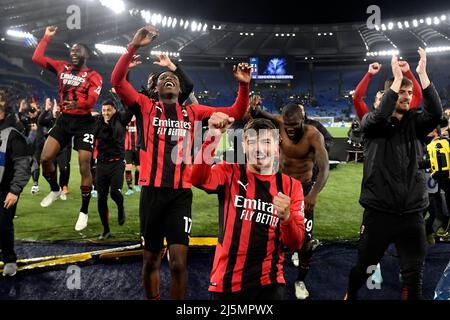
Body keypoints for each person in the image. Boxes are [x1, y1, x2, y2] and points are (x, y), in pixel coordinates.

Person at [111, 25, 251, 300]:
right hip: (151, 195)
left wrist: (243, 85)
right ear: (156, 89)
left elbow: (236, 112)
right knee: (150, 261)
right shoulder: (144, 107)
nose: (168, 79)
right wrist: (133, 46)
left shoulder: (193, 112)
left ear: (178, 87)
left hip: (180, 196)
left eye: (172, 77)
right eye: (163, 78)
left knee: (178, 263)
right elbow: (117, 81)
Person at [345, 49, 442, 300]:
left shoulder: (415, 123)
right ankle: (351, 293)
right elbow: (376, 111)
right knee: (364, 270)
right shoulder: (371, 124)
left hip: (412, 214)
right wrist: (396, 80)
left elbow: (436, 113)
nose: (407, 97)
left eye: (410, 93)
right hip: (379, 213)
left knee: (414, 277)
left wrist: (419, 73)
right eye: (401, 92)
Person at [191, 114, 305, 299]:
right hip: (227, 280)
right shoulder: (229, 172)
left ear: (277, 148)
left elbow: (296, 243)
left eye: (266, 142)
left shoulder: (292, 186)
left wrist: (287, 218)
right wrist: (212, 137)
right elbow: (197, 179)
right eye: (252, 142)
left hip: (269, 283)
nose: (259, 148)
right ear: (244, 146)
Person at [250, 102, 329, 299]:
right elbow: (262, 114)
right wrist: (255, 108)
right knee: (265, 231)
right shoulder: (280, 123)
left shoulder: (313, 135)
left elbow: (325, 167)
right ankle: (261, 273)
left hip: (303, 190)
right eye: (287, 127)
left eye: (294, 127)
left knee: (305, 243)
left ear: (303, 121)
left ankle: (300, 280)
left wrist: (314, 194)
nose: (290, 131)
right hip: (280, 186)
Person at [32, 26, 103, 231]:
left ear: (86, 54)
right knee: (45, 158)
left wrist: (79, 105)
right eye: (71, 50)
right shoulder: (61, 67)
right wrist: (46, 37)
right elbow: (37, 58)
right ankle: (55, 190)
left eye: (78, 50)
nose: (73, 53)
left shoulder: (94, 75)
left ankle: (83, 211)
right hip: (64, 121)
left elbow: (92, 99)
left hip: (84, 123)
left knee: (84, 164)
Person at [93, 100, 133, 240]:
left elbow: (131, 109)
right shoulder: (98, 121)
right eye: (104, 110)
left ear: (114, 110)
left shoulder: (120, 119)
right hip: (101, 165)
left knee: (115, 192)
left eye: (108, 110)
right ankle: (106, 230)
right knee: (101, 199)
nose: (106, 113)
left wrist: (123, 95)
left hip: (117, 163)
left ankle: (121, 207)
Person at [0, 101, 31, 276]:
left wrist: (15, 190)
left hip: (5, 190)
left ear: (2, 113)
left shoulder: (13, 135)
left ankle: (9, 259)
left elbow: (22, 165)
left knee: (3, 225)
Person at [353, 61, 423, 121]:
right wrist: (369, 74)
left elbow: (417, 95)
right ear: (374, 104)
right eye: (381, 99)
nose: (384, 101)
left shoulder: (404, 115)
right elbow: (357, 98)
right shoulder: (369, 120)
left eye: (387, 99)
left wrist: (407, 72)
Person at [38, 98, 72, 200]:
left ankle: (64, 186)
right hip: (51, 150)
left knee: (63, 168)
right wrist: (46, 109)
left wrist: (58, 115)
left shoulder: (64, 120)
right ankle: (55, 189)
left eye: (58, 108)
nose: (56, 110)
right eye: (55, 108)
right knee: (51, 168)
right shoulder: (49, 120)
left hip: (63, 148)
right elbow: (40, 121)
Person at [124, 115, 141, 195]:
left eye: (134, 115)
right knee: (128, 167)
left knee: (139, 168)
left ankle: (136, 185)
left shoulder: (139, 122)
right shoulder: (126, 123)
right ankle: (130, 188)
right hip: (128, 148)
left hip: (138, 148)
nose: (133, 116)